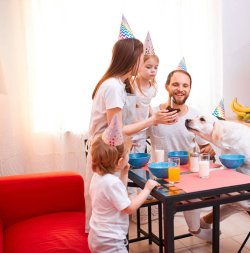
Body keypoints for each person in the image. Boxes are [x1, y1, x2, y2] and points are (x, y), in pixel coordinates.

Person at [85, 38, 177, 231]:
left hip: (109, 150)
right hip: (106, 151)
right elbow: (116, 129)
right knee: (106, 209)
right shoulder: (113, 87)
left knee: (110, 204)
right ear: (132, 59)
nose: (142, 63)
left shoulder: (117, 84)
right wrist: (153, 120)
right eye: (141, 58)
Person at [149, 67, 215, 241]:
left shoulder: (195, 116)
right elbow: (136, 138)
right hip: (162, 175)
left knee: (227, 194)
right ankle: (197, 230)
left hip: (188, 172)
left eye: (185, 85)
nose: (180, 89)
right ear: (167, 86)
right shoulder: (153, 113)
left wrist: (211, 148)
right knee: (188, 197)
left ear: (190, 89)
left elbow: (205, 146)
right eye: (176, 84)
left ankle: (199, 226)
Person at [88, 115, 159, 253]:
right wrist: (147, 189)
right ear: (120, 161)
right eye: (127, 153)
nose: (129, 156)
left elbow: (118, 197)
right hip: (111, 242)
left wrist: (124, 174)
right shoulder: (112, 183)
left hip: (97, 237)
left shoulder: (98, 177)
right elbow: (128, 208)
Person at [124, 32, 159, 153]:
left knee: (139, 155)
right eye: (148, 67)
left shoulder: (152, 88)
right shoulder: (132, 84)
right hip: (130, 127)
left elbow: (147, 103)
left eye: (155, 67)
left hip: (143, 128)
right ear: (139, 65)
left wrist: (152, 116)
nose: (153, 70)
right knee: (127, 154)